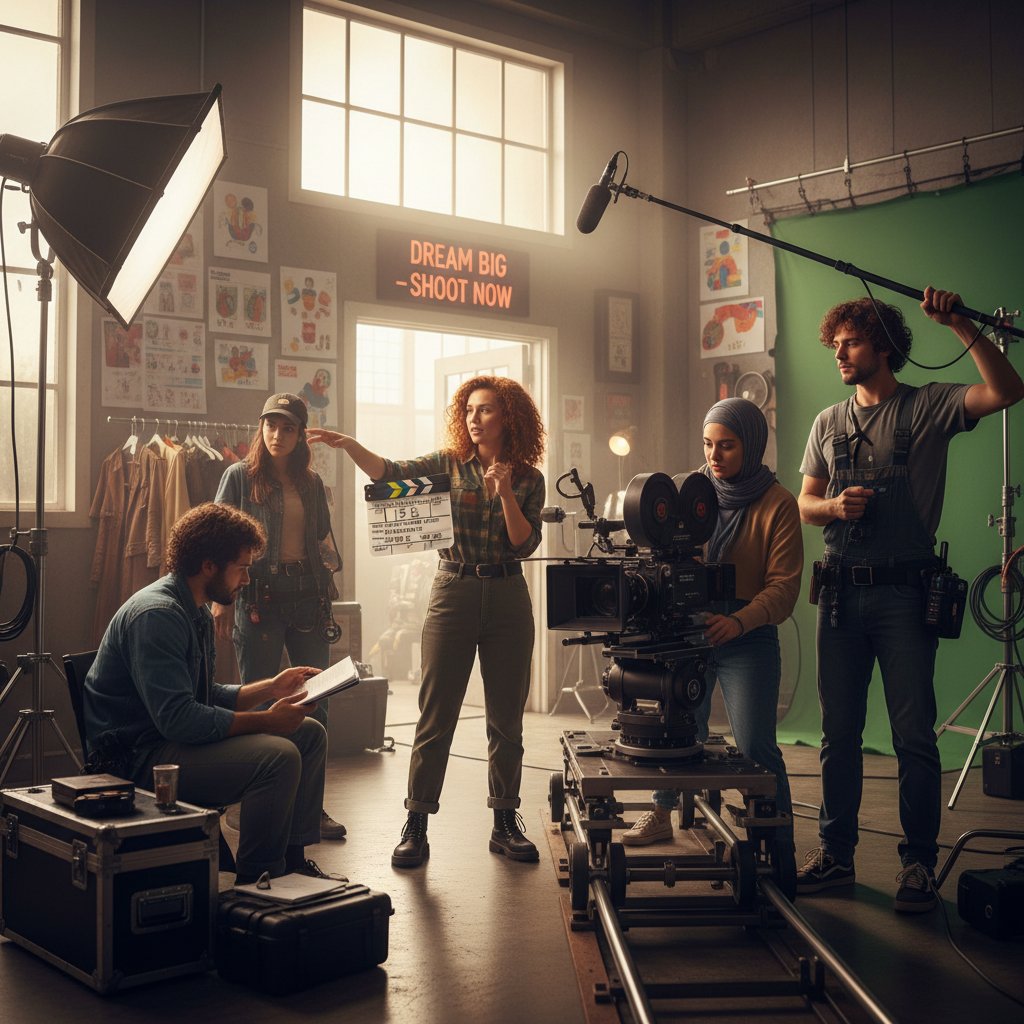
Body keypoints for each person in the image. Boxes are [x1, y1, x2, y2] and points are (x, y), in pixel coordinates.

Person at [796, 286, 1024, 913]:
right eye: (835, 344)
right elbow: (804, 503)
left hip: (904, 596)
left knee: (914, 737)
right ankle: (836, 855)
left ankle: (918, 866)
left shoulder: (929, 409)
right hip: (839, 598)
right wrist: (833, 506)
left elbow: (1007, 391)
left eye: (852, 342)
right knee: (837, 736)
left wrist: (959, 324)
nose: (840, 353)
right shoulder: (828, 423)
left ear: (885, 345)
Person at [307, 375, 546, 868]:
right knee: (436, 715)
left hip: (506, 594)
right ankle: (416, 825)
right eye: (469, 411)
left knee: (507, 719)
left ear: (510, 418)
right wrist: (350, 444)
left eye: (485, 411)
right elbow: (388, 473)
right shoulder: (446, 464)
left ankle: (505, 822)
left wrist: (504, 495)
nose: (474, 419)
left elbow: (524, 544)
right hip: (453, 589)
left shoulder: (527, 477)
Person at [83, 502, 330, 884]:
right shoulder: (158, 615)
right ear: (209, 566)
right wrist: (267, 720)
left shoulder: (192, 607)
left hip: (167, 740)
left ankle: (292, 862)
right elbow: (180, 719)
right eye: (242, 568)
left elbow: (201, 694)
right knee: (277, 756)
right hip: (140, 758)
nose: (246, 579)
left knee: (309, 733)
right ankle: (259, 882)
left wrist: (271, 687)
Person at [622, 398, 803, 856]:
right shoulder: (688, 492)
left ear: (753, 445)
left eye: (727, 446)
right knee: (674, 734)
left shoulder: (778, 503)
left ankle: (777, 844)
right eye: (707, 444)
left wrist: (739, 621)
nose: (714, 456)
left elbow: (783, 589)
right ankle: (662, 813)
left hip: (749, 636)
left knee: (756, 747)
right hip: (687, 631)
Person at [214, 392, 346, 840]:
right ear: (261, 427)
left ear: (300, 434)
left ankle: (311, 807)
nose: (277, 434)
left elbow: (322, 543)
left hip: (308, 598)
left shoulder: (311, 483)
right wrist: (219, 600)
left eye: (288, 427)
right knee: (261, 702)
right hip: (257, 600)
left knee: (316, 702)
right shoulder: (238, 476)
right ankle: (254, 803)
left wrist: (330, 590)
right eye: (271, 424)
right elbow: (219, 535)